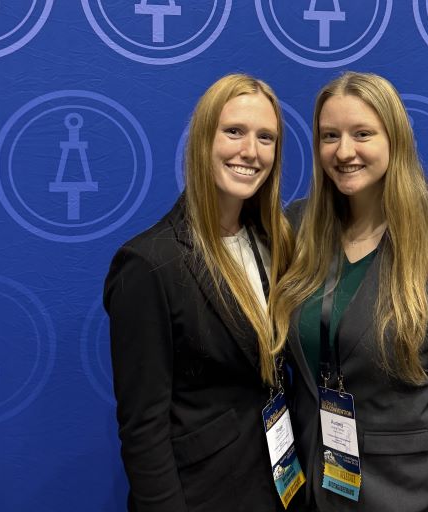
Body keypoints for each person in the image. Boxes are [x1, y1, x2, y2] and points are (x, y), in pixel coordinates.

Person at [271, 72, 428, 512]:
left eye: (362, 134)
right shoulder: (297, 228)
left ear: (394, 140)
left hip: (403, 495)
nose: (344, 151)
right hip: (307, 490)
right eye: (329, 136)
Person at [104, 73, 294, 511]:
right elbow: (143, 429)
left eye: (266, 138)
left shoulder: (277, 243)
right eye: (234, 132)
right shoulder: (149, 265)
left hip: (279, 489)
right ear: (202, 140)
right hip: (202, 496)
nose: (250, 151)